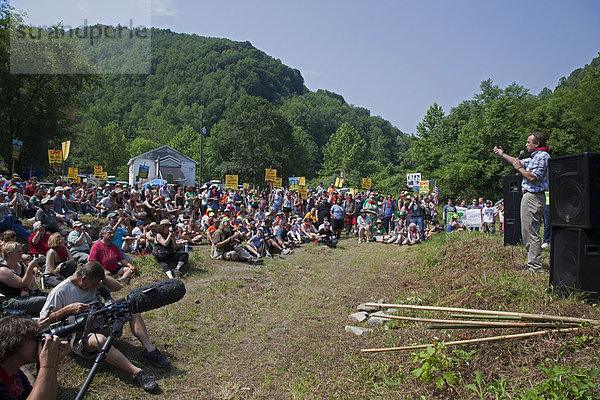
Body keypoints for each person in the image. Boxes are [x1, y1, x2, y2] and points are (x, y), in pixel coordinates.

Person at [39, 261, 170, 393]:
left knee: (132, 310)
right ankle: (137, 372)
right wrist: (68, 309)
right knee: (100, 340)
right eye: (94, 283)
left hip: (101, 322)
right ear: (83, 279)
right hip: (79, 335)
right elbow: (43, 321)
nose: (96, 286)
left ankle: (150, 351)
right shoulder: (60, 291)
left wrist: (102, 276)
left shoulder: (93, 283)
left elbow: (118, 286)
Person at [494, 131, 550, 272]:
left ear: (537, 144)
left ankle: (535, 266)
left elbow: (533, 177)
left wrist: (519, 168)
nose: (526, 144)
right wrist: (502, 154)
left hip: (534, 196)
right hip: (529, 196)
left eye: (529, 142)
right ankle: (532, 261)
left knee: (531, 231)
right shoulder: (534, 157)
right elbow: (515, 161)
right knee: (527, 231)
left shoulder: (542, 157)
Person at [0, 316, 70, 400]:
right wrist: (47, 366)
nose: (39, 343)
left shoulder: (15, 374)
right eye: (35, 338)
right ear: (15, 343)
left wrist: (52, 366)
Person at [0, 243, 47, 314]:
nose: (21, 253)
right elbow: (22, 283)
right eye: (18, 251)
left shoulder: (21, 265)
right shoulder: (3, 270)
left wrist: (25, 289)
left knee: (53, 296)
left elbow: (31, 283)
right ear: (9, 254)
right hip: (11, 300)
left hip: (25, 296)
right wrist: (30, 268)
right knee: (45, 301)